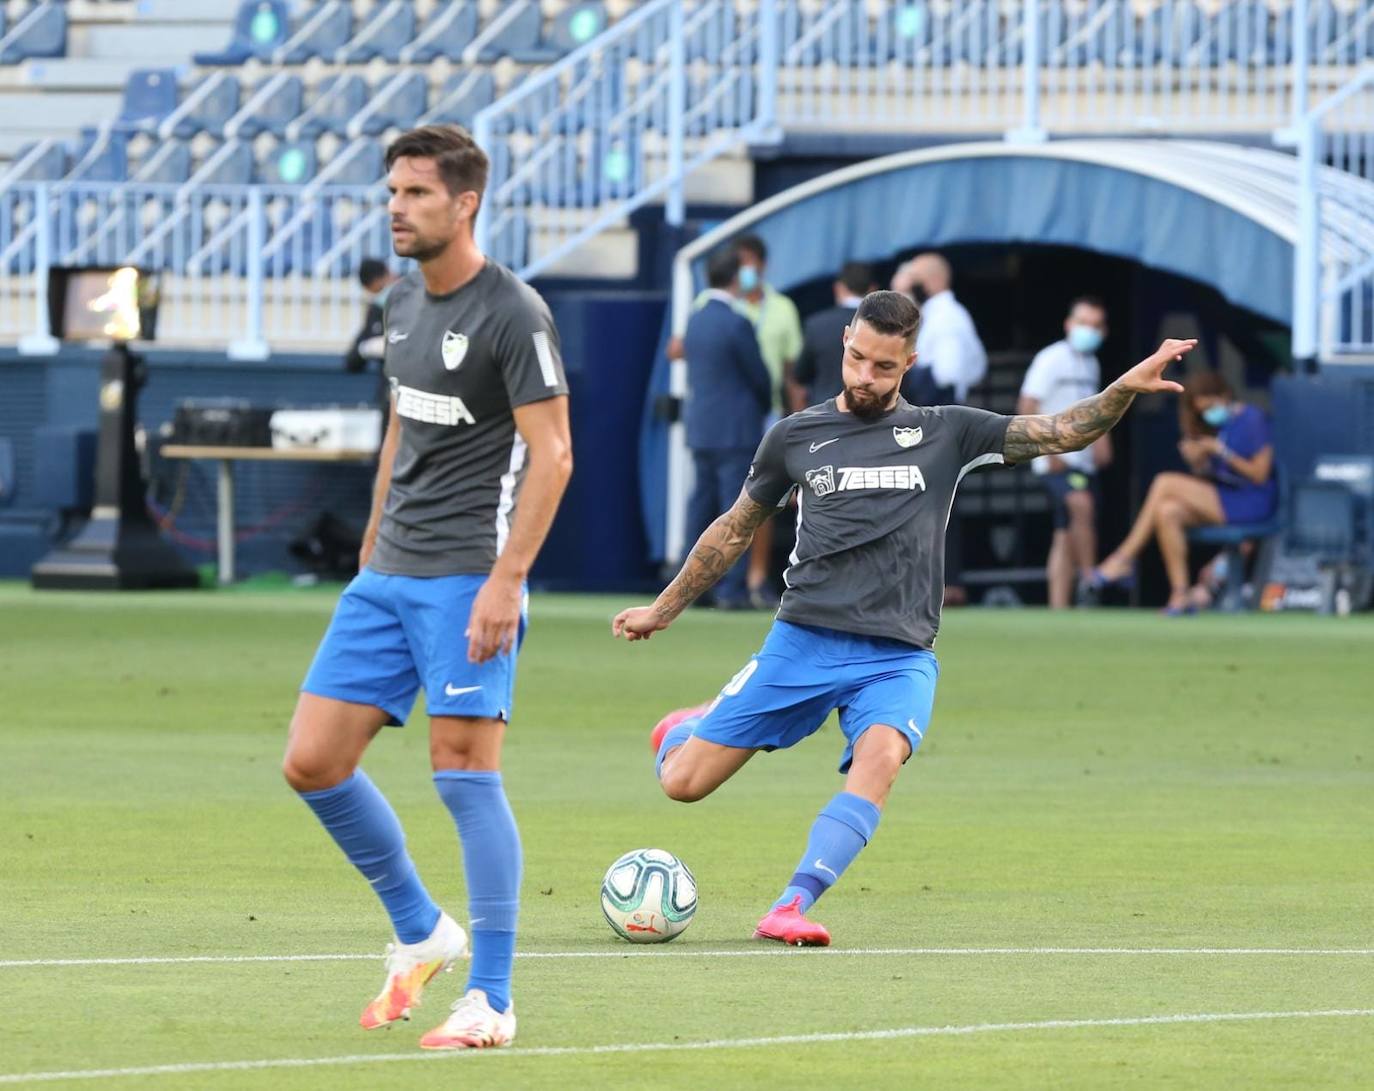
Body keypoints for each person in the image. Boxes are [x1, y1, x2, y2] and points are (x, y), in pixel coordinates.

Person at [612, 289, 1195, 944]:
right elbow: (735, 527)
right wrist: (663, 608)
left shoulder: (948, 431)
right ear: (846, 344)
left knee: (882, 757)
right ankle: (688, 727)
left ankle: (790, 905)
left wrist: (1123, 388)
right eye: (857, 359)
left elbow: (1062, 430)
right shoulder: (795, 436)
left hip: (898, 655)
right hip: (804, 641)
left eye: (883, 367)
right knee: (683, 784)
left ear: (909, 363)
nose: (865, 376)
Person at [281, 124, 573, 1051]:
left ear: (465, 202)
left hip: (467, 577)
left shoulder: (514, 312)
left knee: (464, 775)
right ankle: (421, 929)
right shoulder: (401, 301)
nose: (396, 208)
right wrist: (372, 549)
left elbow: (554, 455)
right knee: (313, 760)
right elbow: (402, 431)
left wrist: (506, 582)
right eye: (392, 192)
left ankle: (492, 998)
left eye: (415, 193)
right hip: (388, 574)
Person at [1091, 372, 1277, 614]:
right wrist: (1198, 460)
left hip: (1252, 501)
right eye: (1202, 411)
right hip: (1225, 498)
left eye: (1210, 407)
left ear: (1224, 395)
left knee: (1165, 482)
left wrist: (1221, 451)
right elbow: (1213, 478)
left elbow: (1260, 475)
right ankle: (1180, 594)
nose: (1208, 414)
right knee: (1168, 511)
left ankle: (1124, 558)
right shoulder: (1215, 426)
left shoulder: (1252, 419)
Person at [891, 251, 987, 605]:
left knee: (934, 500)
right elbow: (977, 364)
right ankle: (940, 580)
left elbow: (947, 374)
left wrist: (914, 378)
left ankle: (944, 582)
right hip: (937, 416)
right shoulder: (944, 315)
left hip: (935, 417)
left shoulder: (946, 318)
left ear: (929, 282)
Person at [682, 247, 773, 609]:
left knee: (700, 507)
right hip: (736, 429)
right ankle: (731, 589)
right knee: (735, 511)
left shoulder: (695, 320)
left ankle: (691, 588)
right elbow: (760, 378)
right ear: (736, 277)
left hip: (702, 427)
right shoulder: (737, 323)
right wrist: (762, 408)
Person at [1018, 296, 1113, 608]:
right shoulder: (1051, 358)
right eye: (1083, 323)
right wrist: (1048, 452)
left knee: (1064, 531)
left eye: (1096, 325)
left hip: (1081, 459)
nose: (1089, 330)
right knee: (1081, 505)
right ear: (1069, 324)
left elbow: (1096, 409)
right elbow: (1027, 404)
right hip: (1055, 459)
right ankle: (1090, 579)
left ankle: (1059, 606)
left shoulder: (1092, 363)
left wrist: (1102, 440)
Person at [734, 235, 805, 608]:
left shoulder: (783, 309)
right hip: (727, 417)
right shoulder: (716, 303)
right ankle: (722, 581)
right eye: (739, 262)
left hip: (769, 417)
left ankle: (756, 578)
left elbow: (792, 375)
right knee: (724, 499)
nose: (744, 270)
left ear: (762, 265)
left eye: (749, 261)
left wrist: (797, 422)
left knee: (762, 500)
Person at [793, 261, 876, 409]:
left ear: (838, 288)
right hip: (869, 412)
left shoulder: (816, 325)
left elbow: (800, 374)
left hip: (825, 412)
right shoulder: (882, 326)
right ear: (873, 290)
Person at [345, 258, 400, 414]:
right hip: (391, 389)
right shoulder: (379, 306)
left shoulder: (408, 298)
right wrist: (365, 348)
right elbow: (352, 360)